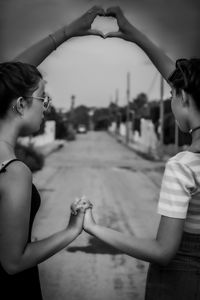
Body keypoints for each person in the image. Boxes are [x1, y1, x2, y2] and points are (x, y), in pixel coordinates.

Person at [83, 7, 200, 300]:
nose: (171, 100)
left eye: (172, 94)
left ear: (183, 97)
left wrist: (94, 228)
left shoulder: (184, 165)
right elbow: (182, 79)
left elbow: (163, 251)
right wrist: (134, 34)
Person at [0, 6, 103, 299]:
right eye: (42, 97)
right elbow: (13, 262)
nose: (47, 105)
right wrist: (72, 230)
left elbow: (7, 79)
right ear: (20, 104)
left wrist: (67, 33)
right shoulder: (14, 171)